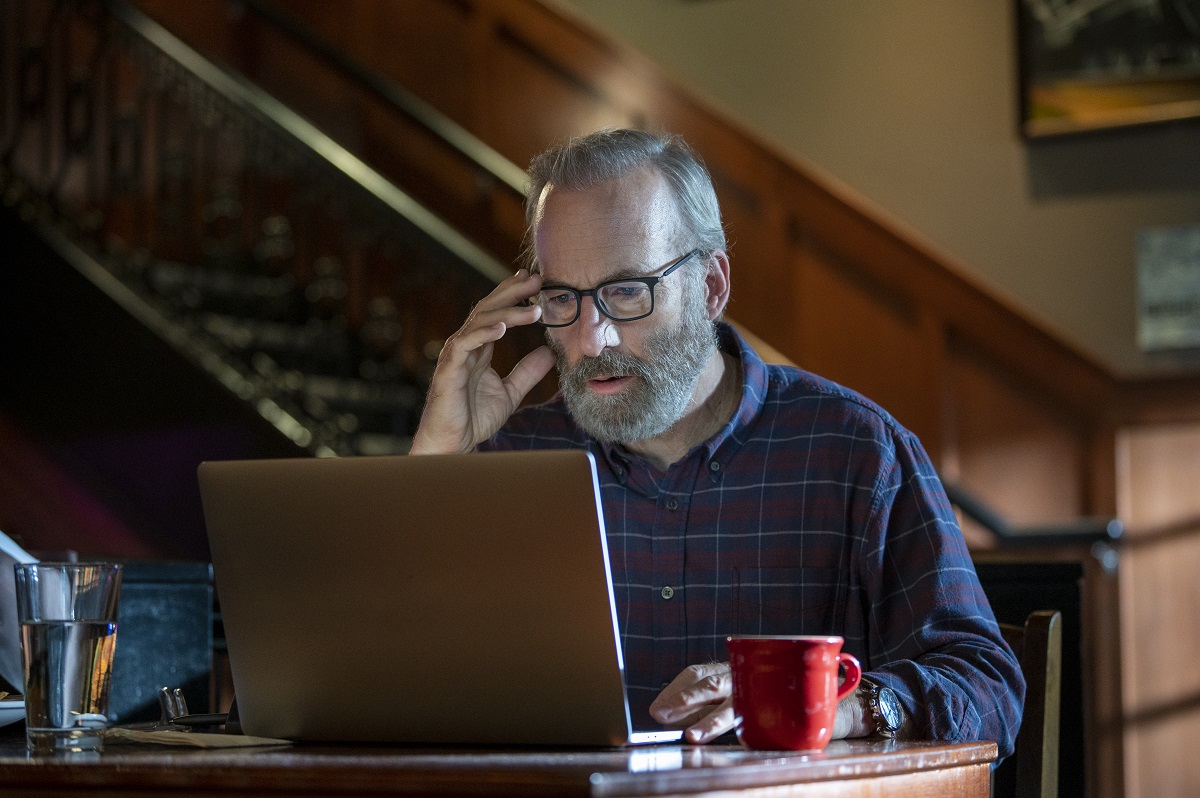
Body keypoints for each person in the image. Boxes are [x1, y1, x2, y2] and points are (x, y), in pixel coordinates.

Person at [411, 128, 1024, 756]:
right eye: (563, 298)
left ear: (710, 287)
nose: (593, 340)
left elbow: (987, 686)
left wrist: (835, 706)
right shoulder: (508, 458)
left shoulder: (854, 450)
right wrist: (437, 456)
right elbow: (392, 682)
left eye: (627, 292)